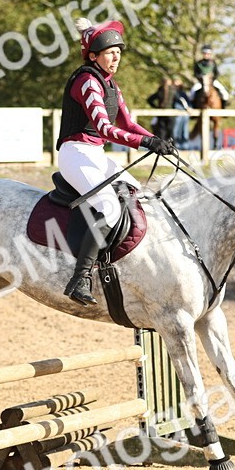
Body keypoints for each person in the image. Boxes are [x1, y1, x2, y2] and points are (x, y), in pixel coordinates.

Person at [56, 17, 175, 306]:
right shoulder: (86, 81)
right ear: (93, 56)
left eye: (119, 52)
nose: (116, 57)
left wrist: (157, 141)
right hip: (75, 153)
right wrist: (146, 143)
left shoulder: (111, 86)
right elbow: (105, 129)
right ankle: (80, 277)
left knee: (137, 194)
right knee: (109, 207)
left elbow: (129, 124)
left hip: (95, 154)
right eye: (111, 52)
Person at [172, 78, 191, 147]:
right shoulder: (174, 91)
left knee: (184, 129)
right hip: (178, 112)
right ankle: (176, 143)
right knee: (176, 128)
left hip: (185, 114)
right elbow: (180, 100)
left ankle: (184, 144)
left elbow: (187, 100)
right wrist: (187, 108)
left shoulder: (183, 92)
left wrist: (190, 107)